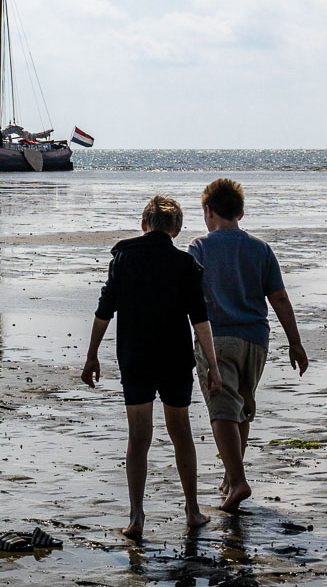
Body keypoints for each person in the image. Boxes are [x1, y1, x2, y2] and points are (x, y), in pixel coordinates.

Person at [80, 195, 222, 542]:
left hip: (135, 357)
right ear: (176, 229)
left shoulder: (123, 259)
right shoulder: (186, 265)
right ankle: (191, 510)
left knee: (138, 438)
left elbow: (104, 310)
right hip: (173, 358)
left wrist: (91, 355)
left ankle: (136, 517)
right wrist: (213, 367)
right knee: (181, 433)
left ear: (145, 225)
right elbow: (200, 319)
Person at [188, 178, 308, 512]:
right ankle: (231, 478)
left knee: (221, 411)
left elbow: (188, 295)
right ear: (240, 212)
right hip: (256, 341)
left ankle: (238, 481)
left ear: (208, 212)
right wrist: (295, 342)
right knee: (241, 407)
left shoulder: (199, 247)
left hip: (217, 339)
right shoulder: (260, 249)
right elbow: (280, 298)